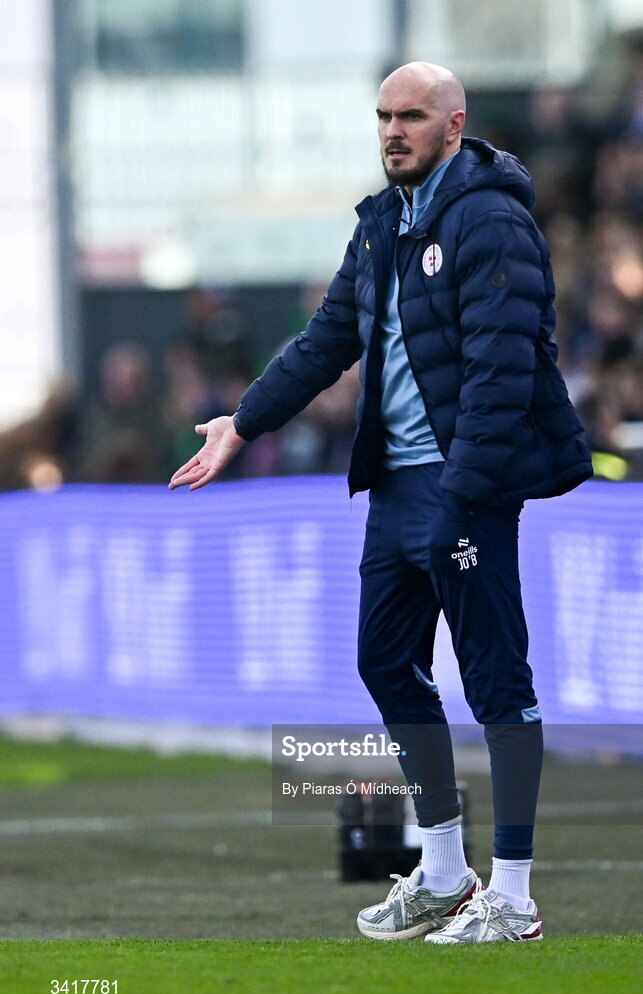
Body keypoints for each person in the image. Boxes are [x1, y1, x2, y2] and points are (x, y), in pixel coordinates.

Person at [169, 62, 592, 943]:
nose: (392, 130)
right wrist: (241, 424)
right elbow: (326, 340)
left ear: (453, 123)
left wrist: (465, 495)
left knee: (495, 680)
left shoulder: (489, 219)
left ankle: (511, 898)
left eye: (410, 116)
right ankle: (442, 874)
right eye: (382, 117)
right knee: (383, 661)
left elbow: (500, 371)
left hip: (465, 484)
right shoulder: (380, 224)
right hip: (396, 486)